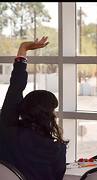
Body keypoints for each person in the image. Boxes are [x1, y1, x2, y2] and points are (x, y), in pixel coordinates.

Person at [0, 36, 68, 180]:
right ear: (49, 115)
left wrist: (23, 48)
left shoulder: (6, 130)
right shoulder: (55, 149)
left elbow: (15, 88)